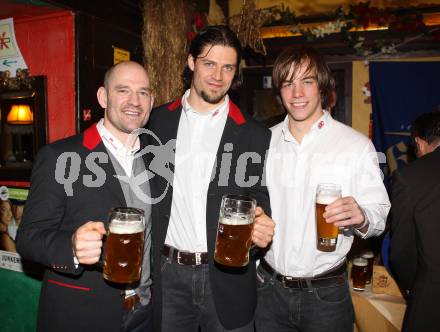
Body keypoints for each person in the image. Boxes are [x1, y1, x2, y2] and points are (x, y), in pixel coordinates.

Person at [147, 25, 275, 332]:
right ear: (191, 62)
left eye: (227, 67)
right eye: (209, 64)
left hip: (228, 277)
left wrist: (261, 227)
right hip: (167, 277)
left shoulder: (255, 135)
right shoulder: (156, 121)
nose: (218, 75)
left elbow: (261, 199)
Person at [255, 47, 390, 331]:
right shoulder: (262, 143)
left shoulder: (355, 146)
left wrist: (362, 215)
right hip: (267, 290)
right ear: (279, 91)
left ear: (322, 87)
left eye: (307, 81)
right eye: (288, 84)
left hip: (325, 296)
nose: (297, 93)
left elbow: (380, 214)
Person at [16, 61, 155, 332]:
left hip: (145, 311)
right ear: (103, 97)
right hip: (83, 314)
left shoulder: (157, 159)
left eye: (143, 92)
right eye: (123, 90)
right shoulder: (60, 157)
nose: (134, 101)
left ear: (151, 101)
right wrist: (71, 247)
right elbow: (28, 238)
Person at [389, 111, 440, 331]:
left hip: (431, 299)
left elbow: (401, 251)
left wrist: (415, 286)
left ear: (418, 142)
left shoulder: (410, 177)